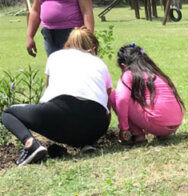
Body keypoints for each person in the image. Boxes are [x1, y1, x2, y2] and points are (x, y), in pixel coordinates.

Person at [1, 27, 111, 166]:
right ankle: (85, 143)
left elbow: (48, 93)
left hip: (60, 113)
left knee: (8, 113)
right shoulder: (100, 64)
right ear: (93, 47)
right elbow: (107, 103)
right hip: (96, 126)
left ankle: (30, 145)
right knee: (81, 115)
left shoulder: (55, 56)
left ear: (68, 44)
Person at [109, 43, 185, 146]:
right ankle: (158, 133)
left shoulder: (129, 73)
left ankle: (138, 136)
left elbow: (121, 99)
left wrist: (124, 128)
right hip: (176, 123)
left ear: (123, 66)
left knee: (114, 96)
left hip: (158, 124)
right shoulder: (156, 72)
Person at [26, 0, 94, 57]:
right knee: (54, 67)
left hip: (72, 33)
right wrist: (29, 36)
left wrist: (89, 39)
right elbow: (35, 11)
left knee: (73, 67)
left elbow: (87, 11)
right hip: (49, 34)